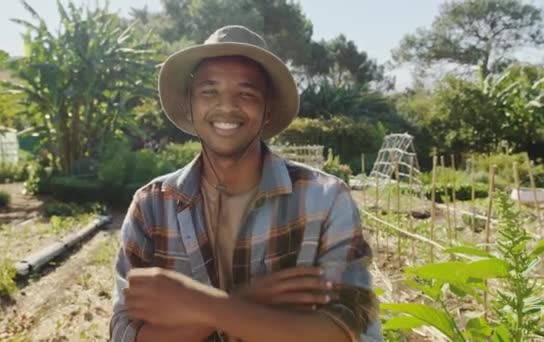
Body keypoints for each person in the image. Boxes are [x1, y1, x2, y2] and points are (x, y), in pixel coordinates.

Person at [110, 25, 382, 342]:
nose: (227, 106)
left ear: (267, 111)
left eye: (247, 93)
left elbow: (347, 330)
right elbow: (127, 335)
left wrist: (199, 304)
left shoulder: (325, 200)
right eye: (209, 91)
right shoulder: (152, 206)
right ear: (190, 106)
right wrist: (247, 300)